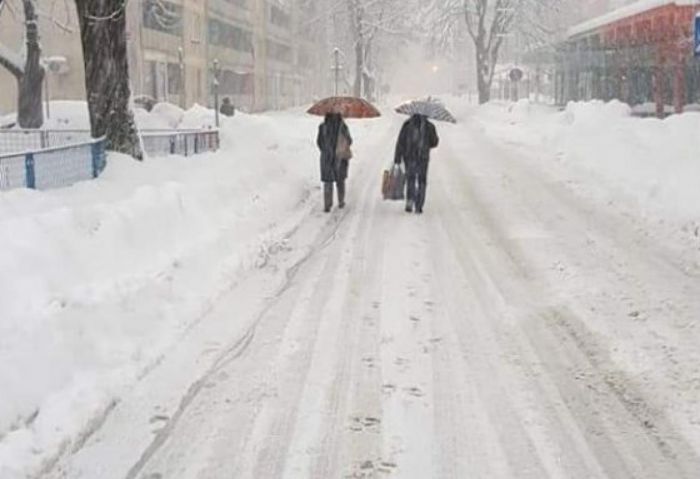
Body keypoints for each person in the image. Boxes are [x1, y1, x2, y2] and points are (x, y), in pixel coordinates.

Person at [394, 113, 439, 214]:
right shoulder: (429, 126)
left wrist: (397, 158)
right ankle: (419, 205)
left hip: (409, 156)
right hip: (423, 158)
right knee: (422, 180)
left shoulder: (407, 125)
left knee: (411, 178)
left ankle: (410, 201)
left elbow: (400, 142)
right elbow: (434, 142)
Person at [316, 112, 352, 212]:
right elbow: (349, 141)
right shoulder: (343, 127)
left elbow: (319, 142)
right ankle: (341, 201)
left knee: (328, 181)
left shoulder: (322, 127)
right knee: (340, 180)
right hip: (340, 157)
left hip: (327, 157)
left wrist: (327, 150)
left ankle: (327, 205)